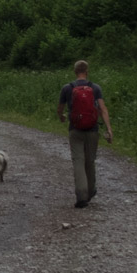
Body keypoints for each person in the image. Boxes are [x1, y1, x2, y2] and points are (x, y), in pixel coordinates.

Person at [56, 59, 113, 208]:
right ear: (87, 72)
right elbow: (102, 109)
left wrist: (61, 116)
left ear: (75, 72)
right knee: (90, 160)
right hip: (92, 130)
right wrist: (109, 129)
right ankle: (91, 190)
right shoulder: (95, 88)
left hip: (75, 130)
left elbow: (60, 108)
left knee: (78, 161)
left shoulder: (67, 88)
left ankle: (81, 194)